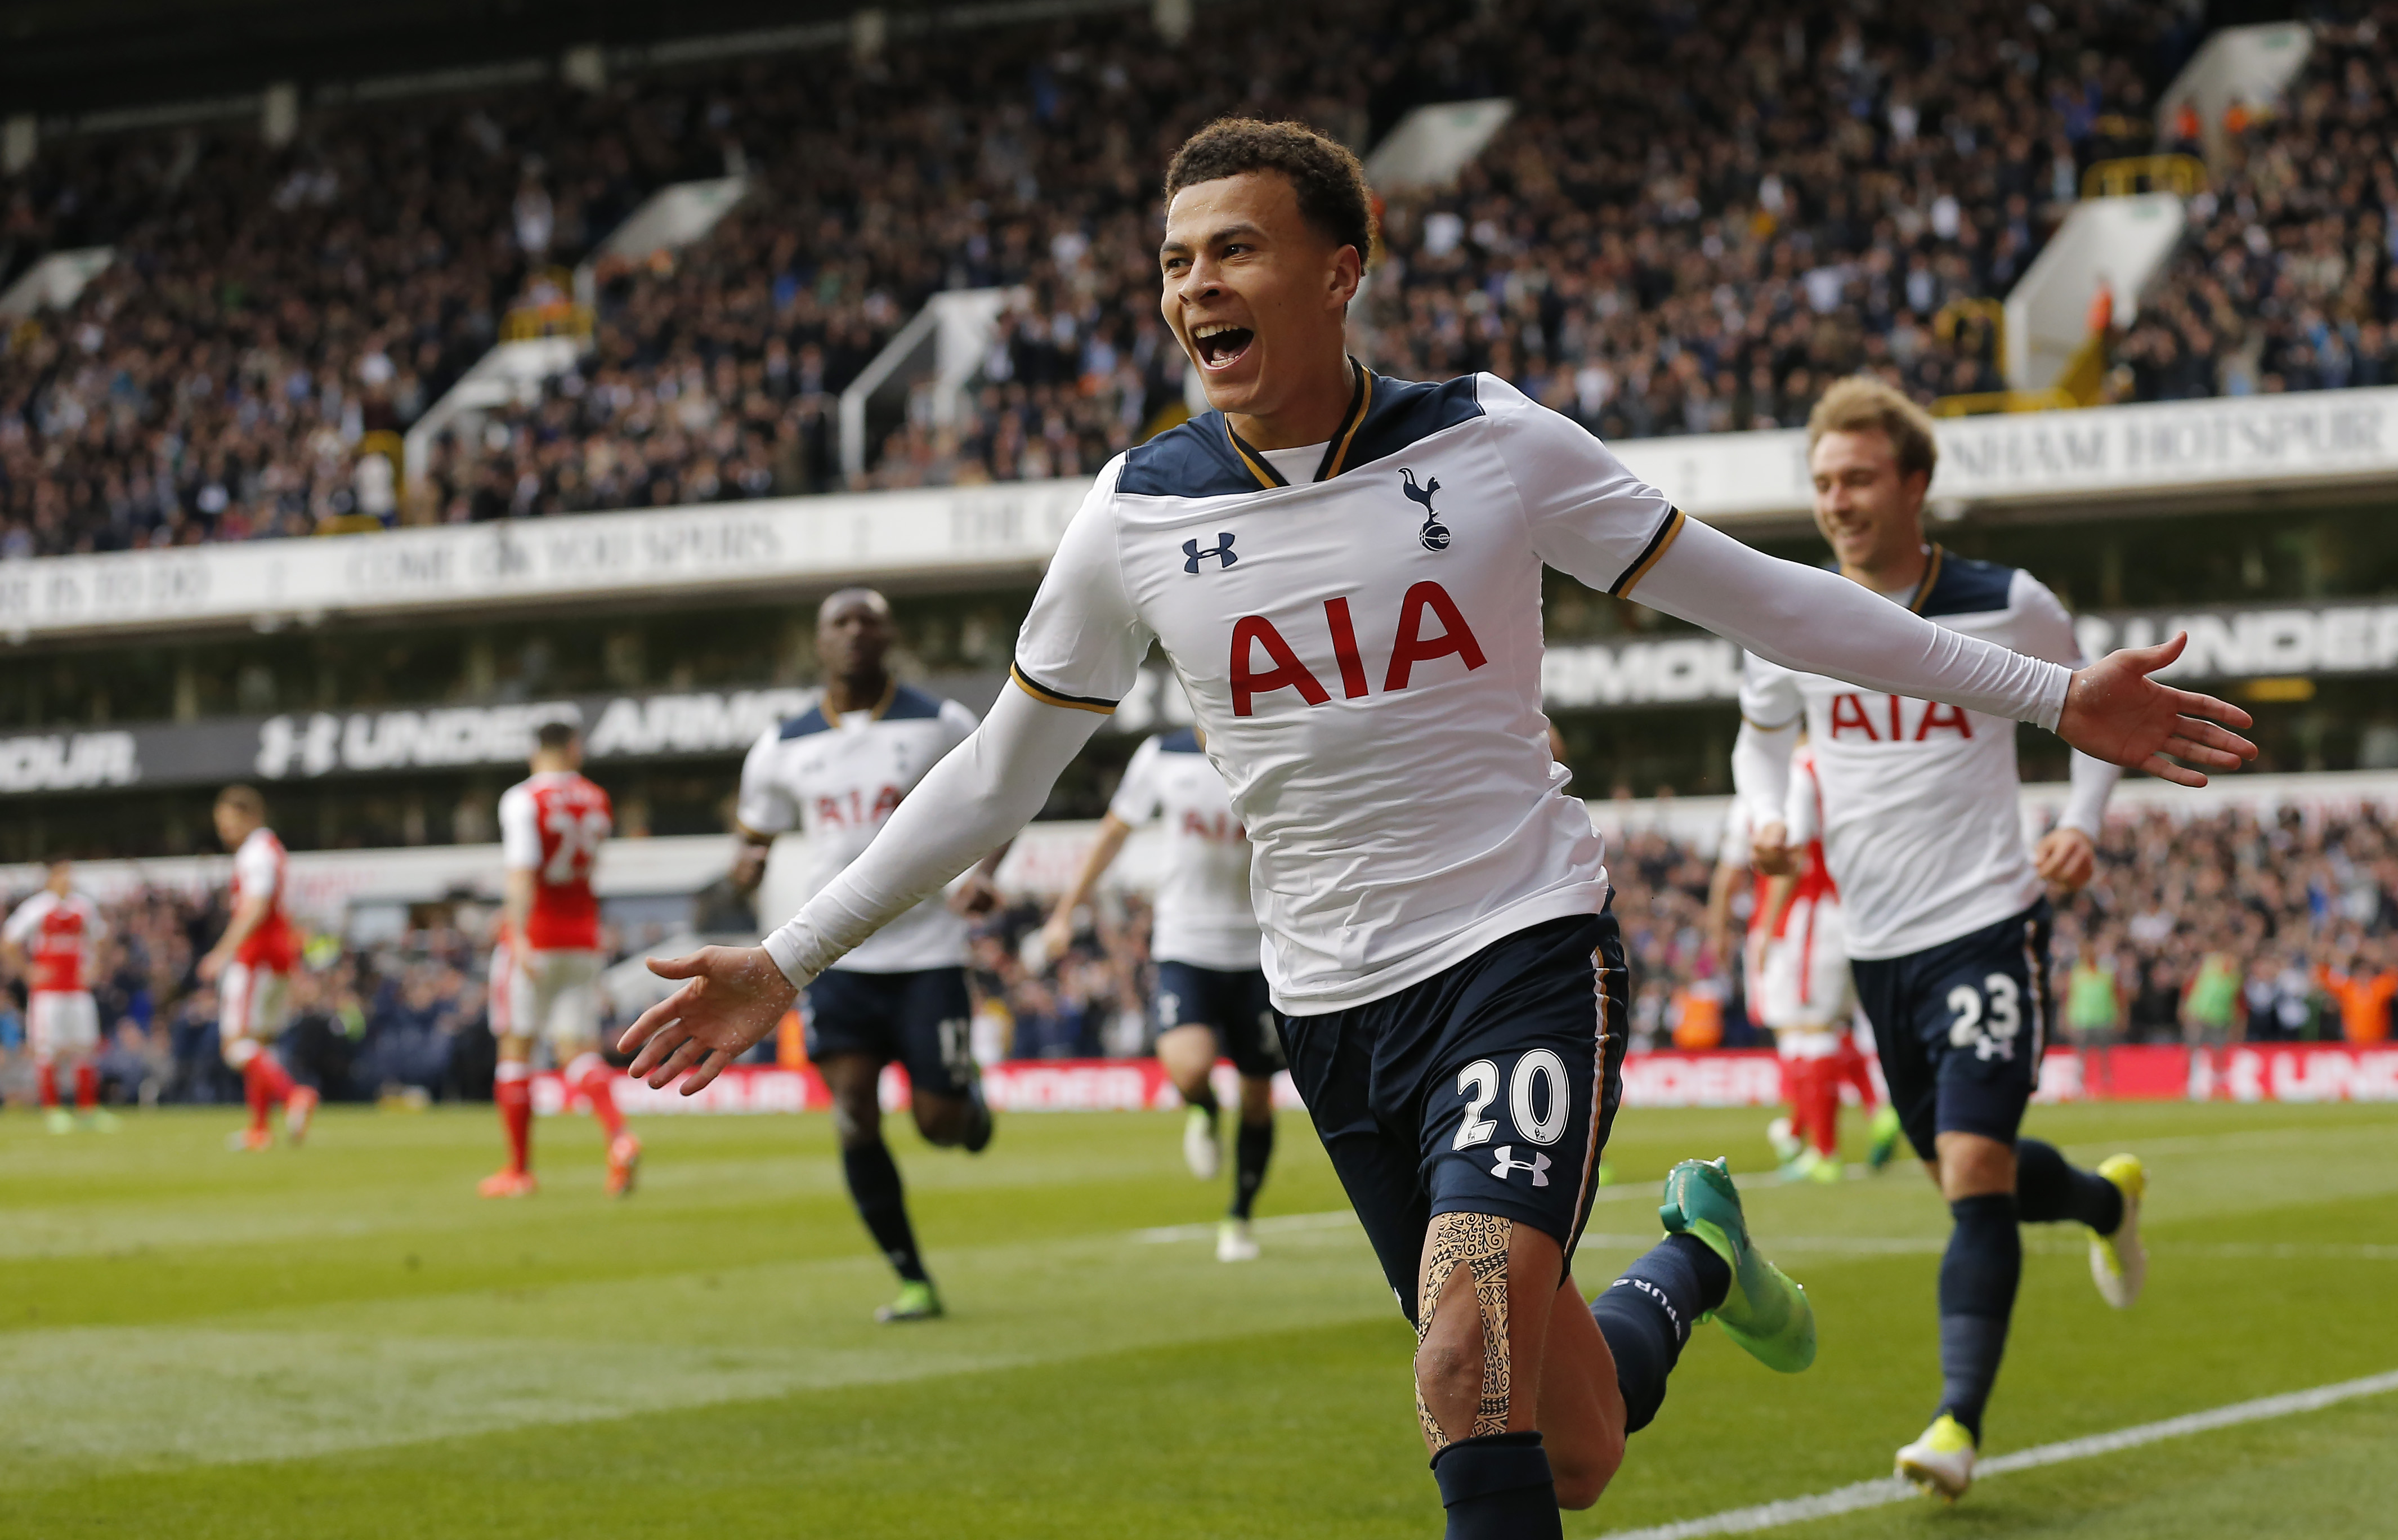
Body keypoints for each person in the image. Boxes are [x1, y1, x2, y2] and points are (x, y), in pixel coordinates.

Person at [619, 121, 2252, 1535]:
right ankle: (1693, 1261)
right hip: (1328, 1008)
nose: (1193, 286)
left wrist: (2047, 701)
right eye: (1174, 260)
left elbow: (1773, 606)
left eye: (1235, 249)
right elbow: (994, 775)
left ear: (1343, 266)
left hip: (1519, 950)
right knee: (1568, 1443)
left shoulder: (1496, 446)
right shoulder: (1132, 517)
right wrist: (783, 957)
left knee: (1461, 1364)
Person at [1735, 375, 2176, 1501]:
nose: (1839, 500)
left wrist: (2080, 825)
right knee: (1957, 1173)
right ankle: (2103, 1202)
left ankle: (1955, 1425)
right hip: (1877, 944)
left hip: (1987, 916)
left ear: (1916, 483)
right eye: (1824, 481)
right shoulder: (1788, 615)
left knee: (1974, 1171)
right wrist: (1767, 816)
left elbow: (2095, 710)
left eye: (1861, 478)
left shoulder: (2004, 601)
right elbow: (1761, 741)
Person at [727, 587, 1000, 1324]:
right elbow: (756, 829)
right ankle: (912, 1278)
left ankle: (967, 1111)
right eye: (839, 623)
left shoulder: (940, 721)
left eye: (867, 621)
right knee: (853, 1113)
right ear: (819, 644)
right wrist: (746, 862)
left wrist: (985, 875)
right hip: (834, 954)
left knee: (939, 1126)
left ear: (891, 636)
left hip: (927, 953)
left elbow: (1002, 791)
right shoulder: (782, 743)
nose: (854, 633)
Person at [1041, 726, 1284, 1263]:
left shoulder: (1272, 738)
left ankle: (1239, 1215)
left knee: (1258, 1094)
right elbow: (1114, 831)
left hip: (1261, 949)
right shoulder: (1162, 755)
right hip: (1185, 942)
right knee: (1190, 1069)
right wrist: (1066, 911)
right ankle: (1201, 1108)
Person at [481, 721, 638, 1198]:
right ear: (575, 749)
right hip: (583, 936)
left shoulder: (524, 799)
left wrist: (519, 934)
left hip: (539, 936)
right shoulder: (597, 799)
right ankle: (619, 1137)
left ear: (536, 751)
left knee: (515, 1049)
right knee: (578, 1051)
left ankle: (519, 1170)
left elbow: (522, 872)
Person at [1757, 745, 1899, 1180]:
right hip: (1858, 909)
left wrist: (1767, 924)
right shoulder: (1862, 759)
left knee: (1809, 1026)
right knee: (1830, 1025)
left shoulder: (1807, 767)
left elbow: (1795, 857)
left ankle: (1823, 1150)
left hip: (1819, 913)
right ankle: (1861, 1117)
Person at [197, 786, 318, 1150]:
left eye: (230, 822)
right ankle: (260, 1129)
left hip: (256, 958)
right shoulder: (272, 850)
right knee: (261, 1043)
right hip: (277, 957)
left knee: (236, 1044)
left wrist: (221, 952)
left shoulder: (256, 854)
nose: (225, 831)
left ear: (250, 817)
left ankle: (293, 1095)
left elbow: (256, 908)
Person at [2, 859, 112, 1132]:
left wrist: (95, 965)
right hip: (48, 993)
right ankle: (53, 1110)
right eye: (62, 875)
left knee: (85, 1047)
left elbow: (100, 936)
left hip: (77, 990)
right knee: (48, 1049)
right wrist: (28, 972)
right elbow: (9, 940)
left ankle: (88, 1109)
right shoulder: (37, 908)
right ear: (51, 879)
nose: (67, 880)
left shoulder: (82, 907)